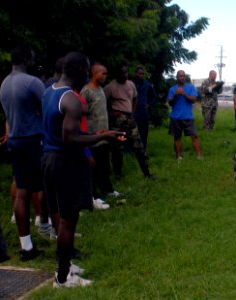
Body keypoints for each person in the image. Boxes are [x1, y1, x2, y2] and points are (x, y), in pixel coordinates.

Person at [42, 52, 126, 288]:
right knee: (69, 221)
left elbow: (55, 127)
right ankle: (62, 279)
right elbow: (70, 139)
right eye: (87, 69)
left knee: (59, 215)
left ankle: (65, 266)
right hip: (65, 162)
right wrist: (105, 136)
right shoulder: (72, 99)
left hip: (47, 158)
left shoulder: (49, 91)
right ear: (80, 71)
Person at [0, 45, 47, 261]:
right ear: (27, 59)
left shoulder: (4, 84)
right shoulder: (31, 82)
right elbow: (48, 108)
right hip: (33, 139)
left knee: (22, 191)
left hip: (15, 140)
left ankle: (26, 246)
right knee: (46, 186)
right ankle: (48, 227)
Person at [80, 63, 122, 207]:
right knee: (92, 167)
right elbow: (81, 116)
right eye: (103, 73)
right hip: (92, 137)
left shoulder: (101, 90)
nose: (105, 76)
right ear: (94, 74)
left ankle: (107, 190)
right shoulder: (86, 91)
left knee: (104, 165)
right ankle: (92, 196)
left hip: (104, 135)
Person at [105, 63, 154, 178]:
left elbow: (135, 98)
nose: (125, 75)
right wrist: (111, 113)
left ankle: (147, 173)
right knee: (118, 149)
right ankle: (118, 174)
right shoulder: (109, 87)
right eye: (122, 73)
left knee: (139, 147)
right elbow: (103, 103)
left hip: (130, 119)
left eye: (126, 72)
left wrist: (132, 113)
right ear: (117, 74)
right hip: (117, 122)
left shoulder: (131, 84)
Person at [167, 70, 202, 160]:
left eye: (183, 76)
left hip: (188, 117)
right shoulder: (172, 89)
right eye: (180, 76)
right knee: (177, 137)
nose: (182, 77)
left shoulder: (190, 87)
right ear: (177, 77)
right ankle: (179, 157)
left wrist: (184, 94)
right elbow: (170, 103)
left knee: (194, 136)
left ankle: (199, 156)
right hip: (175, 117)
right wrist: (175, 95)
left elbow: (194, 100)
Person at [132, 66, 157, 150]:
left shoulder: (146, 84)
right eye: (139, 74)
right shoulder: (131, 83)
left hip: (143, 111)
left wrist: (149, 104)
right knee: (132, 131)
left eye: (142, 74)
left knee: (144, 131)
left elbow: (153, 96)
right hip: (133, 111)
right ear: (136, 74)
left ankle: (143, 149)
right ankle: (131, 150)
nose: (141, 75)